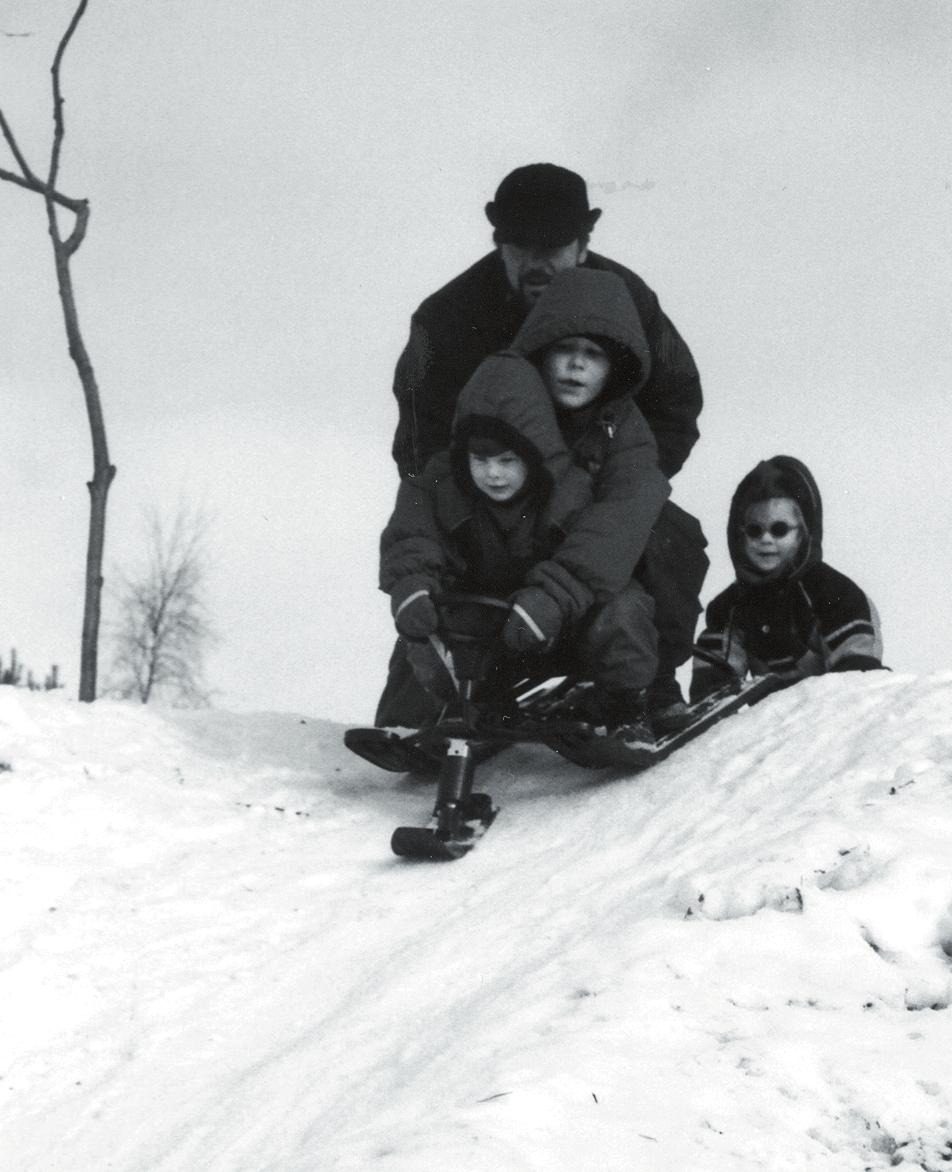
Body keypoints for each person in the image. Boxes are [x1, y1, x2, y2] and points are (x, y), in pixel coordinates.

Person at [380, 350, 668, 748]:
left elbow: (591, 559)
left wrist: (551, 599)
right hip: (488, 635)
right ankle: (450, 711)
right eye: (480, 459)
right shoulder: (440, 485)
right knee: (423, 626)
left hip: (561, 627)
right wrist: (411, 584)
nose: (493, 473)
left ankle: (625, 707)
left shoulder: (570, 493)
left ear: (534, 454)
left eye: (507, 460)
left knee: (622, 608)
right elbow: (413, 536)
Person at [390, 162, 702, 482]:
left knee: (680, 533)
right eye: (522, 245)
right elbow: (420, 442)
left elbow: (675, 405)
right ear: (500, 246)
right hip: (489, 503)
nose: (537, 262)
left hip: (601, 492)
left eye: (552, 245)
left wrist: (619, 489)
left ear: (582, 247)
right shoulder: (444, 318)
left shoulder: (632, 301)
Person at [512, 266, 708, 727]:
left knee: (670, 536)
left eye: (593, 354)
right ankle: (445, 704)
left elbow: (626, 508)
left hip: (581, 580)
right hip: (516, 569)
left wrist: (555, 594)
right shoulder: (512, 412)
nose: (576, 365)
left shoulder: (625, 430)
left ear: (614, 369)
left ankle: (650, 679)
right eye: (563, 348)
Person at [690, 456, 884, 701]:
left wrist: (848, 693)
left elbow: (857, 668)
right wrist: (711, 693)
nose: (766, 540)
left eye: (779, 529)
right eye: (754, 530)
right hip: (778, 725)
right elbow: (717, 661)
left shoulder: (834, 593)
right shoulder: (731, 607)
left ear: (803, 533)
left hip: (833, 708)